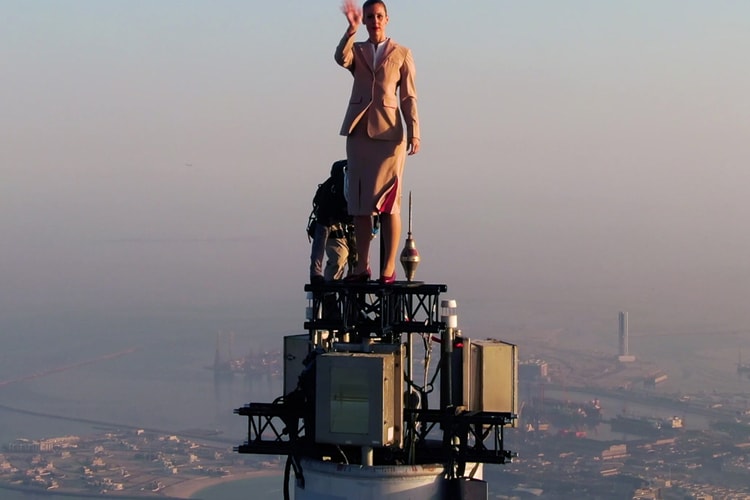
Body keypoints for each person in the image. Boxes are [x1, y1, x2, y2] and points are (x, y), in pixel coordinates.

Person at [335, 0, 420, 284]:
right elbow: (340, 58)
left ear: (387, 18)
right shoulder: (357, 51)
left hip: (390, 138)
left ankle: (387, 270)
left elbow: (408, 97)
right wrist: (351, 30)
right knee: (360, 204)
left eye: (379, 16)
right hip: (359, 133)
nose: (375, 21)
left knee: (389, 203)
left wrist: (415, 131)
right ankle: (362, 268)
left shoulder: (402, 53)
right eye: (370, 16)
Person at [308, 159, 355, 284]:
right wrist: (315, 273)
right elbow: (320, 236)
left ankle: (353, 287)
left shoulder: (367, 189)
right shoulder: (330, 197)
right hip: (331, 217)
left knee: (357, 260)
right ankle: (330, 294)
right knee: (339, 256)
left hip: (355, 216)